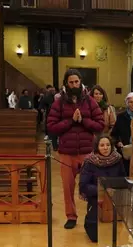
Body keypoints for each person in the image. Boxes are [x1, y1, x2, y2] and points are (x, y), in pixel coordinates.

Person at [47, 68, 105, 229]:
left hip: (87, 151)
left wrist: (83, 120)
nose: (74, 85)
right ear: (66, 83)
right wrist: (71, 121)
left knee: (91, 185)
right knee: (67, 186)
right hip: (67, 152)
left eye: (76, 82)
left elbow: (100, 125)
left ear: (80, 82)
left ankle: (92, 215)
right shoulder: (58, 103)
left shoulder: (90, 101)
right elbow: (51, 127)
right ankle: (71, 216)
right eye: (71, 82)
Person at [78, 134, 125, 242]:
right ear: (97, 147)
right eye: (102, 145)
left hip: (114, 200)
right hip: (96, 199)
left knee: (116, 237)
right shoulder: (90, 161)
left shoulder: (117, 159)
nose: (105, 148)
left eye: (108, 145)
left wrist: (115, 189)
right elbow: (83, 186)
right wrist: (101, 190)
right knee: (95, 237)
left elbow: (123, 180)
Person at [111, 92, 133, 175]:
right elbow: (114, 135)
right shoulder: (121, 117)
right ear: (127, 103)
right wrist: (117, 142)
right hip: (126, 151)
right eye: (131, 102)